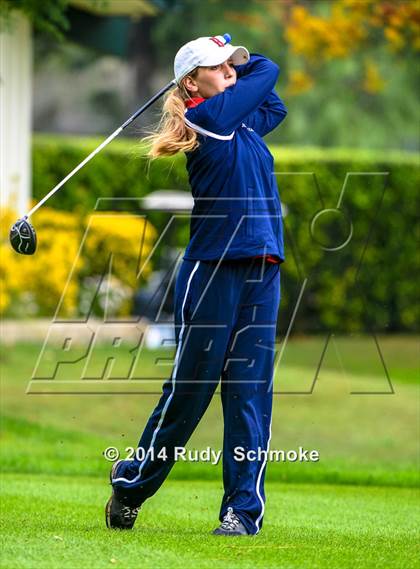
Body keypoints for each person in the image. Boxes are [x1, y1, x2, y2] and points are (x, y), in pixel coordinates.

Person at [105, 34, 288, 536]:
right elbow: (267, 71)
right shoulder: (208, 120)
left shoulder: (243, 122)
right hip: (213, 271)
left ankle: (241, 513)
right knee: (191, 393)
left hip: (262, 268)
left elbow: (275, 99)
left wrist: (229, 58)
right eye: (217, 66)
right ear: (192, 83)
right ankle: (131, 483)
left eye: (231, 65)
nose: (230, 70)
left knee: (250, 394)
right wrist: (243, 61)